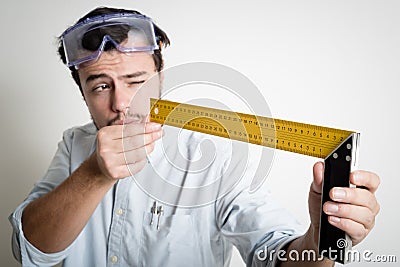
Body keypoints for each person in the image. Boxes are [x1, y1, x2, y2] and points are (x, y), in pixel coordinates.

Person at [9, 6, 380, 267]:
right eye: (101, 85)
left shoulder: (214, 154)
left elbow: (275, 256)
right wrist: (94, 174)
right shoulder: (74, 146)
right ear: (83, 94)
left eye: (137, 81)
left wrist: (320, 239)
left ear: (161, 79)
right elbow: (31, 252)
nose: (122, 103)